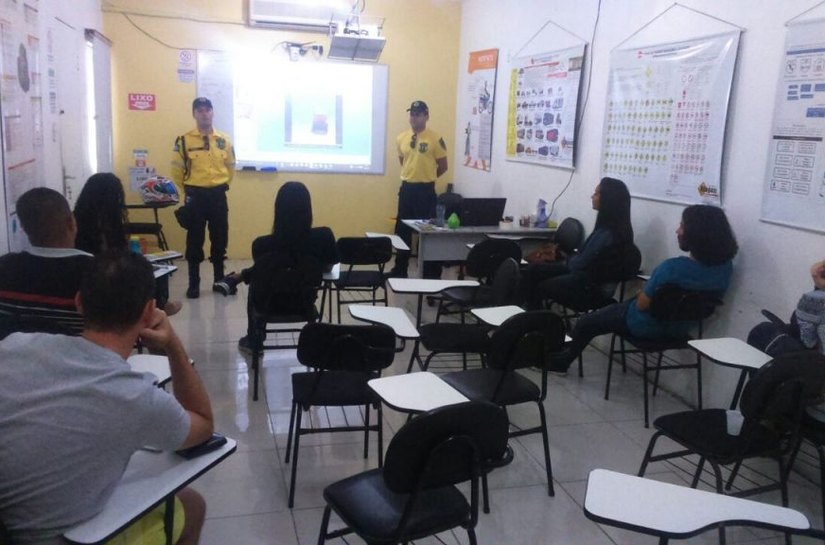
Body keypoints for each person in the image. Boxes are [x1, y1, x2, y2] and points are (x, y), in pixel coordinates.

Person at [0, 251, 214, 545]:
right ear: (149, 312)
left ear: (79, 302)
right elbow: (203, 425)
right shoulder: (136, 396)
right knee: (192, 505)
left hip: (9, 525)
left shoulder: (14, 345)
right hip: (61, 538)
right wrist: (173, 344)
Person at [549, 204, 738, 373]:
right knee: (611, 310)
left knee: (585, 323)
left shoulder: (671, 268)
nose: (677, 231)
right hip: (681, 329)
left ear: (697, 234)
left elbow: (641, 305)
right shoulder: (725, 269)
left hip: (645, 324)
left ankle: (561, 362)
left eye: (682, 226)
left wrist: (644, 292)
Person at [214, 181, 338, 353]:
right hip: (305, 305)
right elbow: (328, 267)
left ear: (278, 210)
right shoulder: (324, 237)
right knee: (268, 270)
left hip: (268, 306)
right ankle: (241, 276)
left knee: (258, 280)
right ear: (308, 208)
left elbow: (270, 269)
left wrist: (247, 274)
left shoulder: (261, 245)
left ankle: (254, 339)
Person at [74, 173, 182, 316]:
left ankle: (157, 306)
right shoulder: (106, 225)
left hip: (87, 274)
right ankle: (158, 306)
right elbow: (113, 254)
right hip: (103, 277)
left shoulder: (75, 219)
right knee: (148, 270)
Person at [520, 177, 635, 310]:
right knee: (534, 270)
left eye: (597, 193)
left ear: (608, 200)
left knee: (539, 283)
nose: (592, 196)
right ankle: (523, 315)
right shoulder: (614, 230)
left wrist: (569, 260)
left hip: (588, 285)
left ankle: (528, 319)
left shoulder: (607, 234)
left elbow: (579, 264)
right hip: (584, 277)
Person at [0, 187, 93, 336]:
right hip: (81, 357)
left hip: (13, 358)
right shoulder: (99, 272)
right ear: (71, 223)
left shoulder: (4, 267)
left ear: (23, 228)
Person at [171, 96, 236, 299]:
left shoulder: (223, 140)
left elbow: (231, 166)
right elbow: (176, 170)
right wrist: (187, 191)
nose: (204, 113)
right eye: (199, 110)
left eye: (207, 109)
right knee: (194, 239)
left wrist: (221, 183)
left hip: (217, 194)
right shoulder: (184, 140)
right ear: (194, 114)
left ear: (212, 112)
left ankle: (219, 280)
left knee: (219, 237)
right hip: (195, 195)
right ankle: (194, 284)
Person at [387, 100, 448, 279]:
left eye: (418, 114)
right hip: (407, 190)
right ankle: (400, 269)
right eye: (412, 114)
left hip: (425, 192)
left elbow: (443, 166)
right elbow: (403, 162)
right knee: (402, 232)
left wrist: (426, 177)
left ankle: (429, 274)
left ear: (426, 116)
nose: (414, 117)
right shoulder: (401, 138)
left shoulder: (435, 138)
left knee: (427, 233)